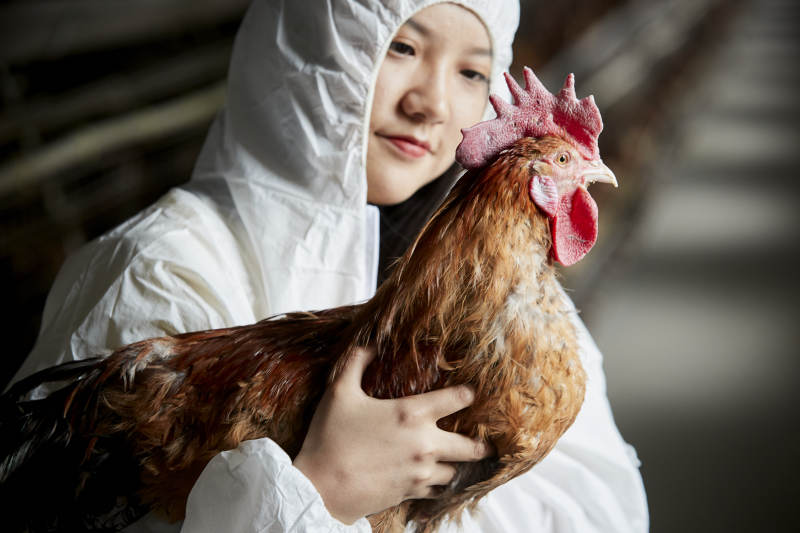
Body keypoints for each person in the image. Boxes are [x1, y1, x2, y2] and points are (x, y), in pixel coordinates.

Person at [10, 0, 648, 531]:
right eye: (402, 48)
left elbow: (600, 503)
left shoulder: (504, 289)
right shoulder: (155, 271)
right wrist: (319, 490)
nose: (431, 103)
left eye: (471, 72)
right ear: (311, 47)